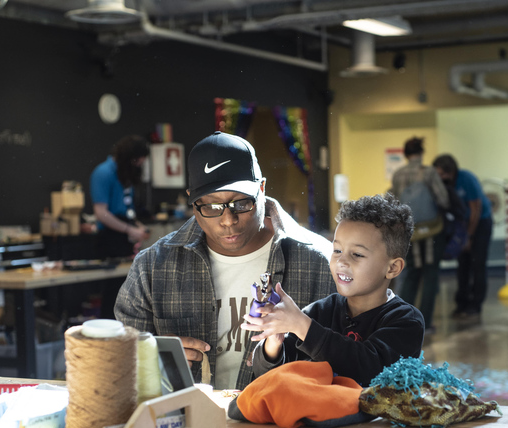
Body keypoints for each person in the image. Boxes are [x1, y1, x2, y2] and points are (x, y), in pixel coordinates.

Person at [115, 131, 336, 390]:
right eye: (210, 207)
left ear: (262, 189)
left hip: (285, 425)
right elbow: (117, 363)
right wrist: (149, 358)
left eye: (241, 204)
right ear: (192, 199)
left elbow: (350, 363)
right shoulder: (152, 267)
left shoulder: (320, 262)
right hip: (184, 424)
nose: (228, 220)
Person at [242, 193, 424, 387]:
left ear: (392, 268)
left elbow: (370, 369)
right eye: (337, 250)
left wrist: (303, 326)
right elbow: (267, 375)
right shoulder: (320, 311)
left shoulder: (406, 321)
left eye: (357, 254)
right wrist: (274, 342)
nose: (341, 261)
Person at [391, 137, 450, 331]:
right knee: (431, 275)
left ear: (406, 154)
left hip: (411, 231)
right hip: (432, 230)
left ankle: (404, 320)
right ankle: (426, 322)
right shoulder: (429, 172)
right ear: (422, 153)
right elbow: (443, 199)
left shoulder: (398, 175)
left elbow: (396, 204)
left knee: (412, 275)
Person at [90, 135, 152, 318]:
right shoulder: (103, 173)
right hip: (109, 240)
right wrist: (129, 229)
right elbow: (101, 213)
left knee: (129, 291)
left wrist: (137, 226)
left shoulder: (126, 174)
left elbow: (127, 208)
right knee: (113, 293)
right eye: (137, 161)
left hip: (125, 238)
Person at [432, 154, 493, 324]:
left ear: (451, 171)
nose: (441, 178)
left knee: (477, 263)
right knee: (463, 265)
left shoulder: (467, 179)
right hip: (462, 224)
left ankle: (475, 305)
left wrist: (469, 237)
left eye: (443, 174)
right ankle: (461, 304)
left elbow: (476, 209)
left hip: (480, 223)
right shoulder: (444, 184)